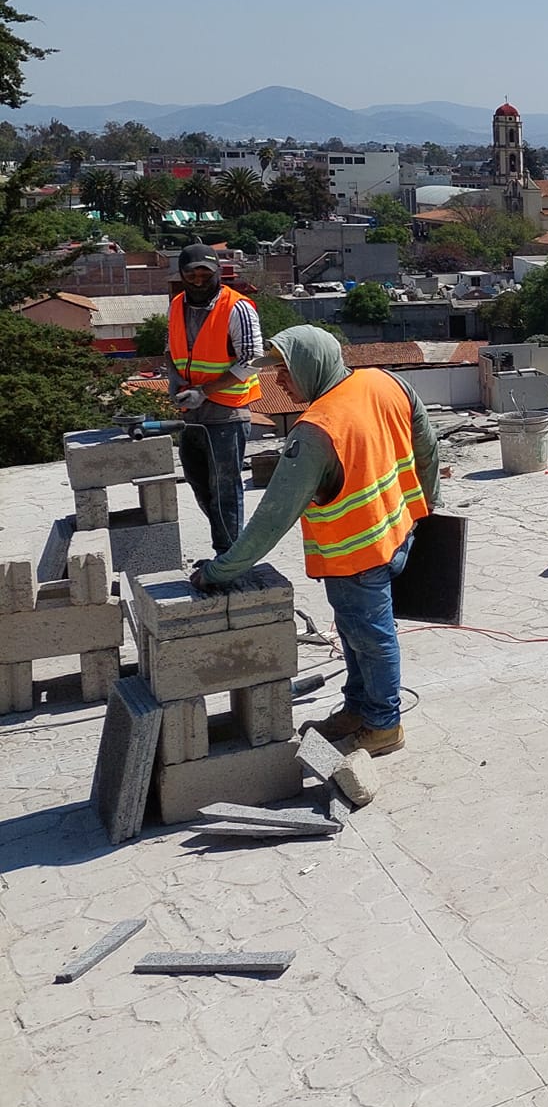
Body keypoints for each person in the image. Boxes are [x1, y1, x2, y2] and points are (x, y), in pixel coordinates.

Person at [191, 327, 440, 757]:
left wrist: (218, 571)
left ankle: (383, 725)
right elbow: (428, 448)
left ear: (312, 364)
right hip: (397, 532)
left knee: (371, 637)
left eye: (285, 370)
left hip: (355, 554)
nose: (279, 381)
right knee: (359, 632)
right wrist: (428, 511)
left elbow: (271, 521)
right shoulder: (384, 381)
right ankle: (359, 708)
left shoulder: (316, 430)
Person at [165, 243, 263, 554]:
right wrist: (174, 380)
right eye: (190, 274)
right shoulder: (177, 304)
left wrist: (205, 391)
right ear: (181, 275)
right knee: (198, 480)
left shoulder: (237, 309)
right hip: (191, 412)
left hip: (226, 413)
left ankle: (230, 556)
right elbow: (170, 349)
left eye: (204, 273)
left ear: (217, 273)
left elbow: (253, 360)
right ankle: (226, 545)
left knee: (225, 487)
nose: (197, 280)